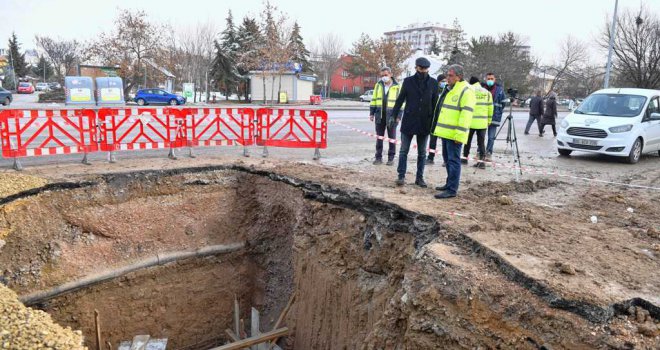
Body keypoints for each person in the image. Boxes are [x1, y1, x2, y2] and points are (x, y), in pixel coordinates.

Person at [391, 57, 439, 187]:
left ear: (428, 69)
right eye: (421, 68)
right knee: (403, 151)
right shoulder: (408, 82)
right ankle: (401, 176)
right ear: (416, 67)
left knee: (422, 153)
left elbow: (435, 105)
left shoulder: (434, 84)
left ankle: (419, 178)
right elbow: (400, 100)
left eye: (425, 69)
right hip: (409, 121)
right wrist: (394, 114)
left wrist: (434, 123)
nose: (423, 71)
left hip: (425, 123)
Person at [432, 64, 476, 199]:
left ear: (459, 76)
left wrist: (460, 134)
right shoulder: (450, 89)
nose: (447, 78)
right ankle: (449, 183)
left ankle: (452, 189)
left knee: (453, 161)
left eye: (450, 76)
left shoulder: (466, 90)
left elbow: (466, 115)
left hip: (455, 134)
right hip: (446, 133)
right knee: (447, 160)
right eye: (447, 75)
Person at [369, 67, 403, 165]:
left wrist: (398, 116)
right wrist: (371, 113)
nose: (384, 77)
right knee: (379, 138)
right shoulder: (378, 85)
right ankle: (378, 157)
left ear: (390, 75)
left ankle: (391, 158)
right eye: (382, 75)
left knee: (392, 138)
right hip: (379, 115)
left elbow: (402, 103)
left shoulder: (397, 87)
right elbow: (374, 99)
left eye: (386, 75)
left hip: (392, 116)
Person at [462, 76, 493, 169]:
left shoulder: (469, 90)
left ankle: (464, 159)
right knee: (481, 143)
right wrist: (489, 120)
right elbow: (490, 107)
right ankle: (481, 162)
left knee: (467, 141)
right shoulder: (487, 93)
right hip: (482, 122)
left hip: (470, 121)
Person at [427, 74, 449, 165]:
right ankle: (430, 158)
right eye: (442, 81)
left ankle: (446, 160)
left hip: (444, 119)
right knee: (432, 140)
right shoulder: (434, 91)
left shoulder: (448, 92)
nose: (444, 83)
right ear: (438, 82)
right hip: (434, 119)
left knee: (445, 142)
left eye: (445, 81)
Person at [484, 72, 506, 162]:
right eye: (488, 79)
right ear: (485, 79)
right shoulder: (482, 89)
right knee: (480, 136)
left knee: (491, 137)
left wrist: (498, 111)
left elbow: (503, 102)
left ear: (494, 79)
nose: (490, 80)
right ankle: (480, 152)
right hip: (482, 116)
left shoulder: (499, 90)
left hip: (494, 116)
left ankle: (489, 153)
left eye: (491, 79)